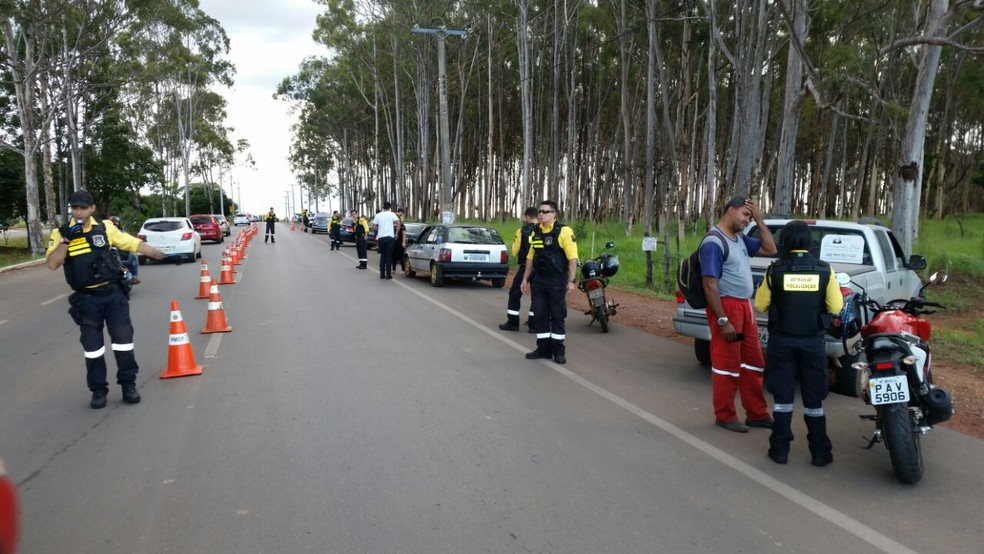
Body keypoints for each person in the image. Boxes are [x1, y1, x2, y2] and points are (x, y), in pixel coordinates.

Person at [45, 190, 164, 409]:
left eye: (82, 207)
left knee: (123, 343)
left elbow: (130, 243)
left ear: (92, 208)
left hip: (113, 295)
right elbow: (53, 264)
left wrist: (155, 252)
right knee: (93, 348)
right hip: (87, 299)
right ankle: (98, 390)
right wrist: (65, 240)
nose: (78, 212)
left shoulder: (106, 228)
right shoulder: (59, 233)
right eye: (74, 208)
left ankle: (128, 385)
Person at [754, 220, 843, 466]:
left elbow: (760, 305)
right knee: (814, 401)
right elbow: (836, 307)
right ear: (808, 242)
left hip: (782, 343)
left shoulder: (774, 270)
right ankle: (820, 452)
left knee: (783, 399)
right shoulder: (825, 270)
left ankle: (780, 450)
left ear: (786, 242)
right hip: (812, 343)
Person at [701, 196, 777, 432]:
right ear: (730, 210)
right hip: (727, 307)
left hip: (745, 307)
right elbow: (709, 285)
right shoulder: (714, 242)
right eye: (745, 214)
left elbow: (770, 249)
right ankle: (725, 415)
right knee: (727, 364)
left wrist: (760, 220)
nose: (747, 220)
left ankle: (757, 414)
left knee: (753, 362)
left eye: (750, 216)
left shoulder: (741, 239)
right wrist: (723, 320)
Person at [520, 200, 579, 364]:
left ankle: (558, 351)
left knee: (557, 315)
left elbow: (573, 258)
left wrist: (572, 280)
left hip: (557, 280)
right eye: (540, 211)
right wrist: (525, 279)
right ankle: (543, 349)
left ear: (554, 214)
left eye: (545, 211)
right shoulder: (536, 231)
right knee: (540, 315)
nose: (541, 214)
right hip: (539, 280)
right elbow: (530, 258)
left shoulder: (564, 231)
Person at [499, 207, 539, 332]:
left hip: (525, 267)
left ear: (527, 216)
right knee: (537, 295)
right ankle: (533, 324)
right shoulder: (543, 230)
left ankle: (513, 322)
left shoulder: (521, 231)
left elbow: (515, 251)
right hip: (540, 268)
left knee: (515, 292)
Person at [372, 202, 400, 279]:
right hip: (390, 237)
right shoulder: (392, 214)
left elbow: (374, 227)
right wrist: (396, 233)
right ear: (390, 208)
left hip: (381, 237)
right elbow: (398, 223)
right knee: (389, 256)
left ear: (383, 207)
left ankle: (381, 274)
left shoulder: (378, 215)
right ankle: (388, 274)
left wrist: (379, 230)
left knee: (383, 255)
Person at [109, 215, 140, 285]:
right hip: (118, 258)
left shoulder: (105, 233)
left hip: (113, 258)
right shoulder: (122, 233)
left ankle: (133, 277)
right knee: (133, 259)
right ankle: (134, 277)